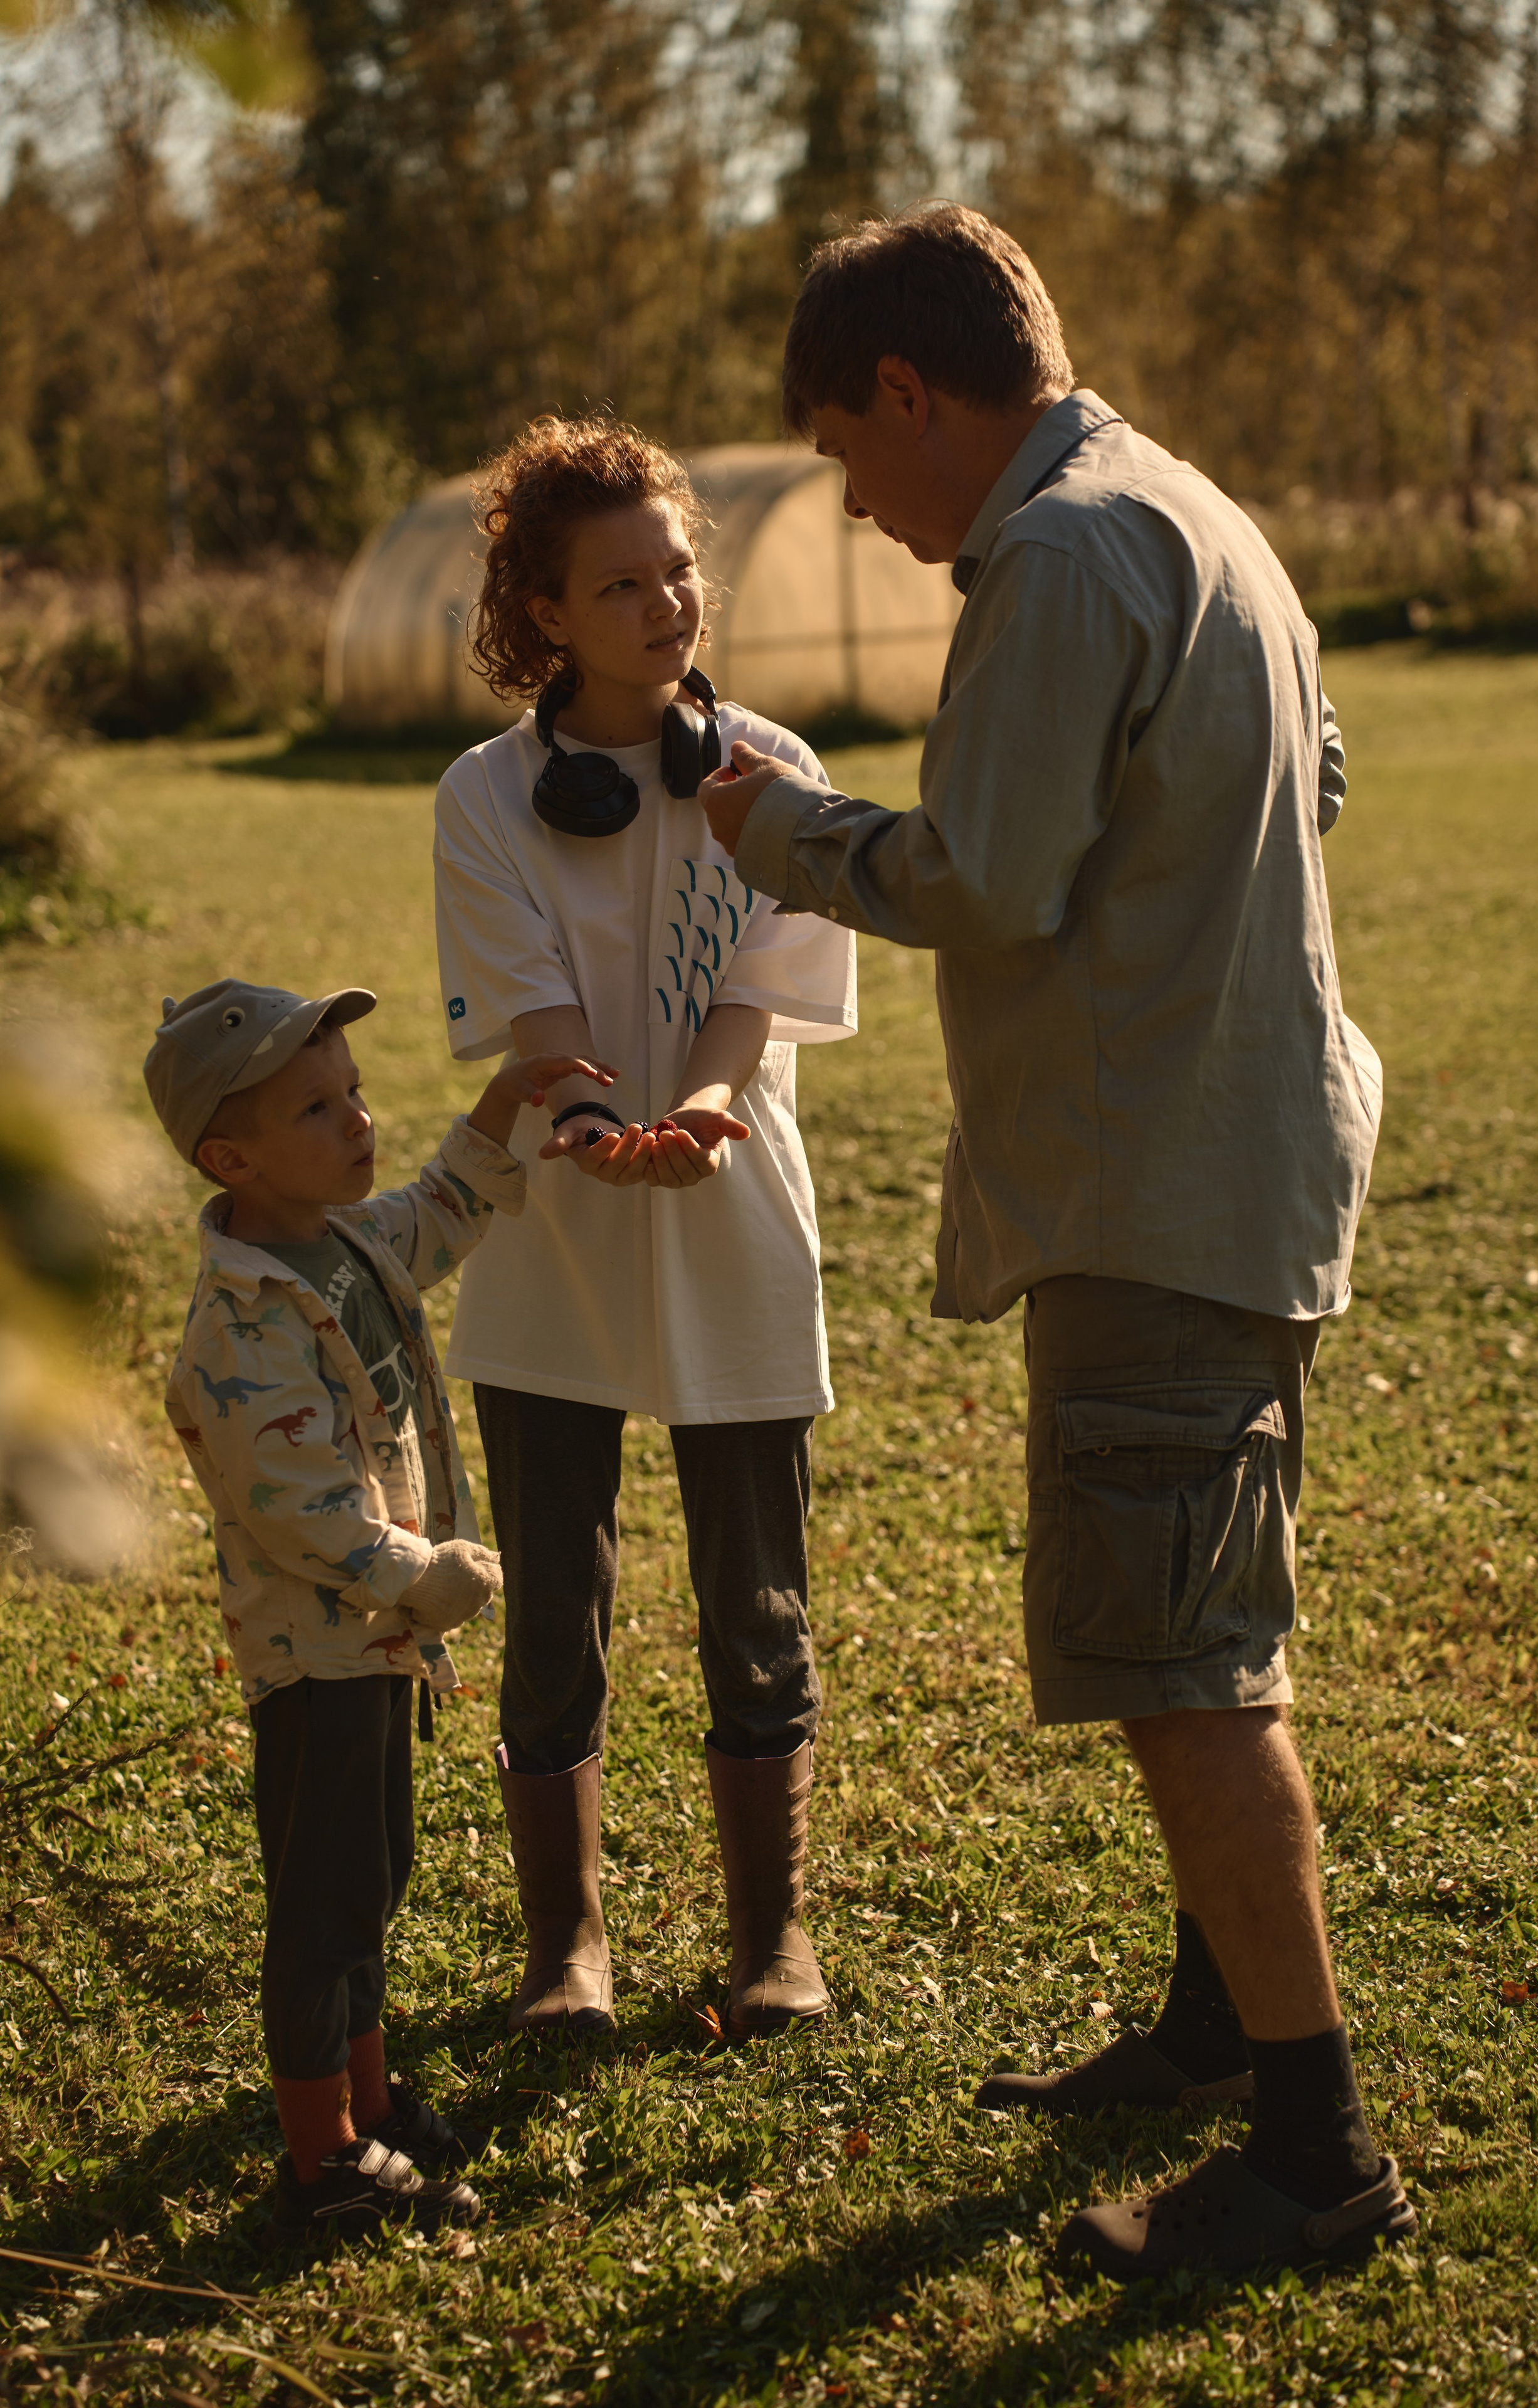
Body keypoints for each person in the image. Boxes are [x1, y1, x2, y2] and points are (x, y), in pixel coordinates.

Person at [700, 205, 1416, 2279]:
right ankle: (1212, 2035)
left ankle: (1314, 2150)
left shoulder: (1054, 552)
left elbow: (991, 878)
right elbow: (1325, 771)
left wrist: (782, 835)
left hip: (1158, 1178)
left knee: (1188, 1669)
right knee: (1179, 1618)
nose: (856, 501)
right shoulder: (1193, 512)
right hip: (1240, 1149)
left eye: (849, 451)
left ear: (914, 394)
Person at [433, 415, 857, 2043]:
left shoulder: (774, 775)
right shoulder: (485, 799)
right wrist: (598, 1122)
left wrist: (705, 1115)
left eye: (679, 569)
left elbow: (761, 994)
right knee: (552, 1616)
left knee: (758, 1608)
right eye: (622, 584)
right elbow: (531, 1017)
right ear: (542, 612)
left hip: (732, 1214)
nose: (668, 602)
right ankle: (569, 1957)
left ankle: (773, 1947)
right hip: (555, 1232)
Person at [145, 977, 610, 2242]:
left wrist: (505, 1104)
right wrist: (418, 1576)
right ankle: (318, 2165)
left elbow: (442, 1213)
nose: (357, 1121)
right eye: (318, 1107)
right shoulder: (235, 1326)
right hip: (320, 1654)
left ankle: (365, 2109)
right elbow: (297, 1503)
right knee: (325, 1904)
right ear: (231, 1157)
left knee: (372, 1880)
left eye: (353, 1092)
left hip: (376, 1648)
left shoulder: (342, 1246)